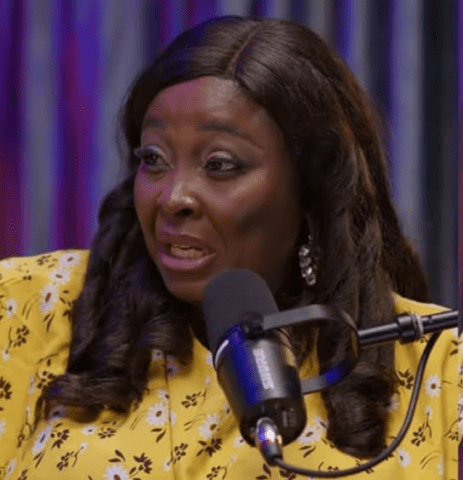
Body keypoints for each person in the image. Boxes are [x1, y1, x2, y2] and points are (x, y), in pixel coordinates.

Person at [0, 16, 458, 480]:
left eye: (219, 165)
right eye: (153, 159)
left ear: (311, 189)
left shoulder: (438, 365)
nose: (173, 198)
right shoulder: (29, 306)